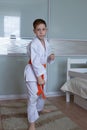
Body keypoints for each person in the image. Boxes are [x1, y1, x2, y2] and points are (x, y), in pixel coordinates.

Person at [24, 18, 55, 130]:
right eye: (38, 30)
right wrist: (38, 77)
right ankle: (31, 122)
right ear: (34, 31)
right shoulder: (33, 44)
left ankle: (39, 109)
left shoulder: (46, 42)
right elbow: (35, 61)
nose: (41, 32)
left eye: (43, 29)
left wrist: (51, 57)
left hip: (42, 71)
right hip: (33, 73)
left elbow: (46, 58)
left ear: (46, 30)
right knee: (33, 97)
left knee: (42, 94)